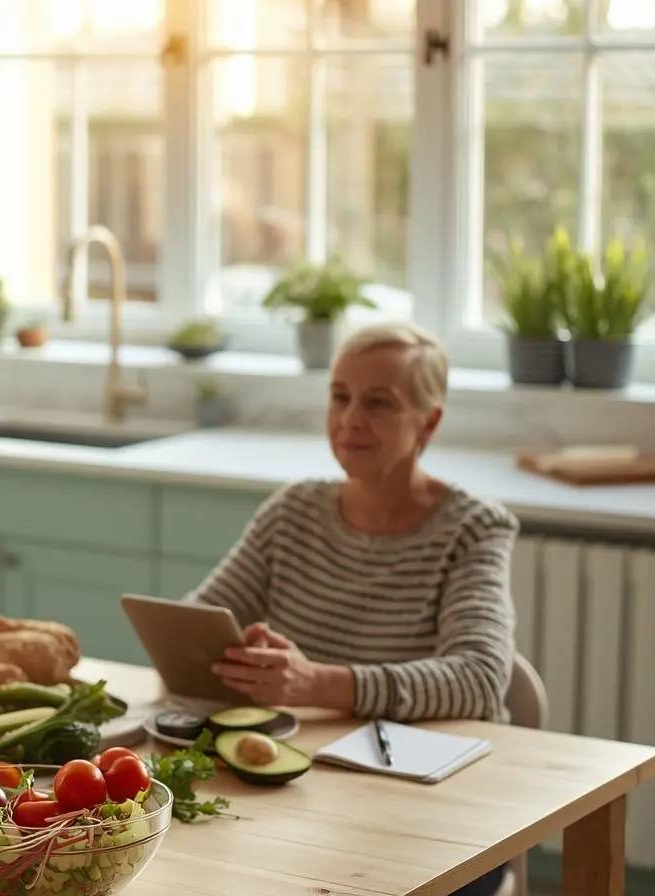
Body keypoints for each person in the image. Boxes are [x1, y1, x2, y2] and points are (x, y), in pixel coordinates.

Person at [183, 321, 518, 896]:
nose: (350, 419)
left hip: (435, 814)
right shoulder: (293, 510)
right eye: (340, 397)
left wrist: (317, 683)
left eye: (379, 403)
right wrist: (237, 655)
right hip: (304, 793)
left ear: (428, 423)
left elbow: (481, 678)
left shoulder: (473, 529)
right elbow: (197, 619)